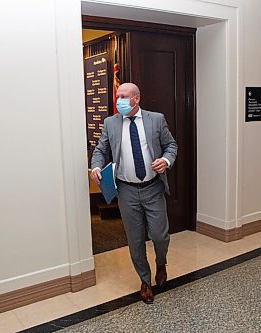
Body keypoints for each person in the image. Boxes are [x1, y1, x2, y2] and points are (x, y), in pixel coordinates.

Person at [90, 82, 178, 304]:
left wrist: (166, 160)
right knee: (135, 240)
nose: (118, 99)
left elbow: (171, 145)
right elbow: (101, 149)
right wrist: (97, 166)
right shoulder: (111, 123)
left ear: (136, 99)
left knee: (160, 236)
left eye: (123, 96)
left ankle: (161, 262)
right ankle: (145, 280)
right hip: (127, 191)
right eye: (117, 95)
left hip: (153, 188)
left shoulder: (156, 119)